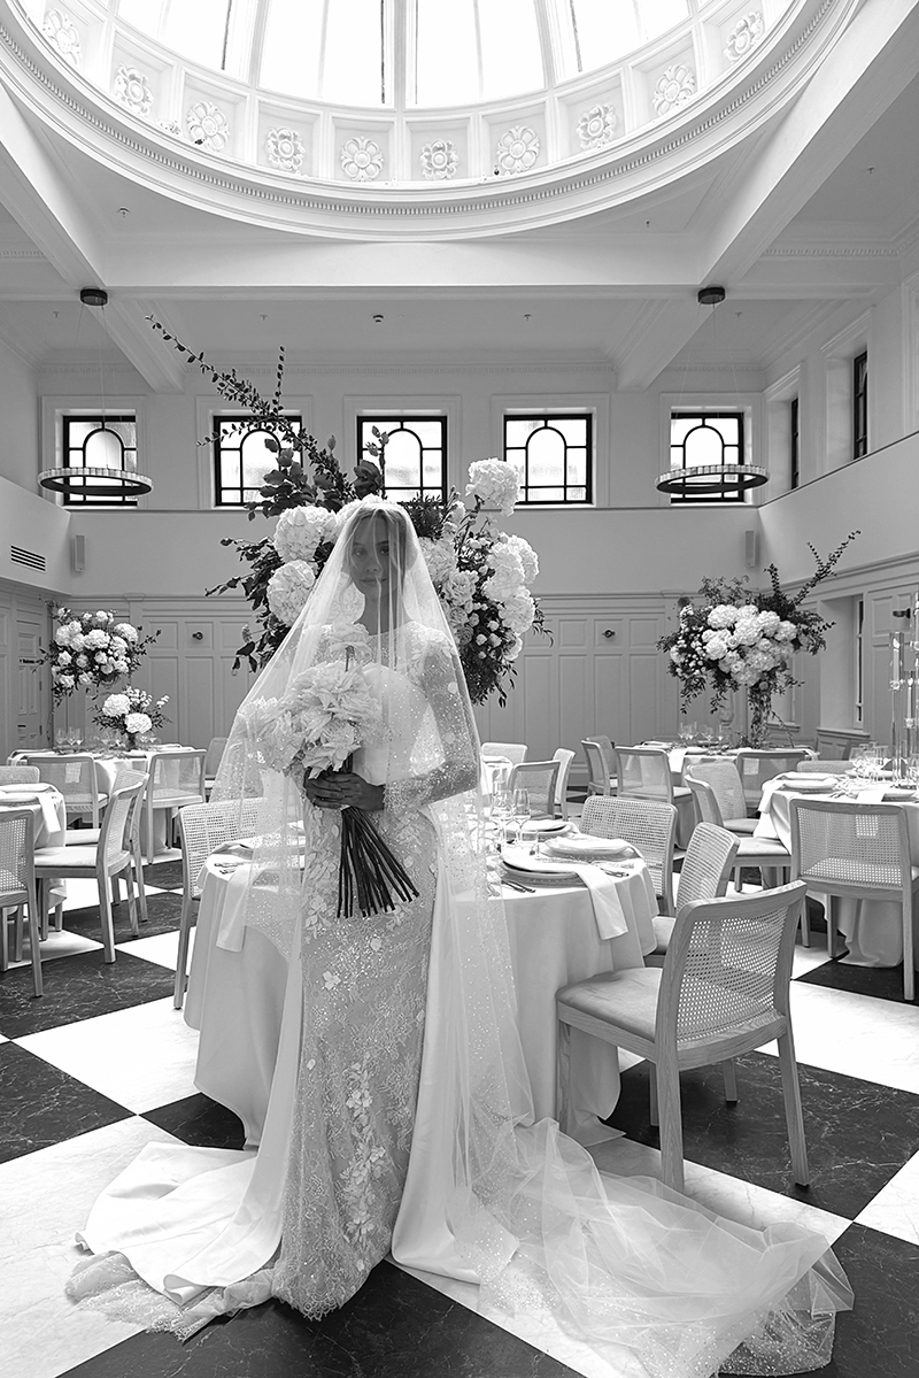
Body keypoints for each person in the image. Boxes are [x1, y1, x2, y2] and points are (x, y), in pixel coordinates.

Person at [71, 499, 852, 1376]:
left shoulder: (434, 649)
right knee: (330, 1026)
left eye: (382, 545)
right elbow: (271, 733)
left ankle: (408, 1184)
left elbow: (458, 765)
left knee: (398, 1026)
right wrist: (310, 768)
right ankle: (326, 1195)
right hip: (332, 859)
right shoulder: (326, 645)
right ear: (342, 556)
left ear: (403, 555)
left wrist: (379, 797)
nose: (367, 559)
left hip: (403, 858)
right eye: (356, 546)